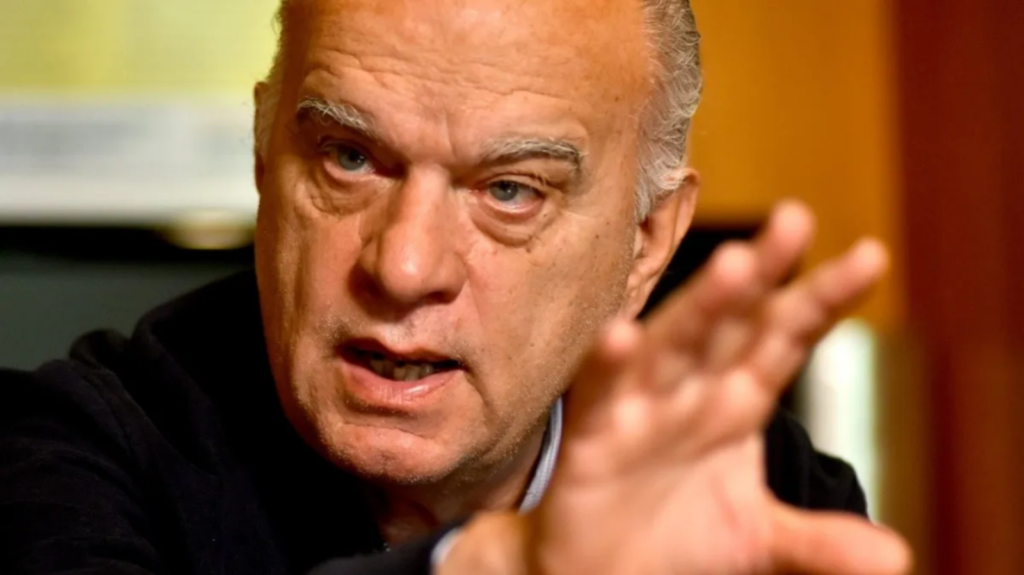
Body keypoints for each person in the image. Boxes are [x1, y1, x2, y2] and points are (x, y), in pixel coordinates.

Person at [0, 0, 911, 573]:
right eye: (350, 158)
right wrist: (501, 566)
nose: (403, 267)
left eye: (509, 191)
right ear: (264, 156)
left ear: (646, 245)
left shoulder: (758, 496)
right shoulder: (63, 453)